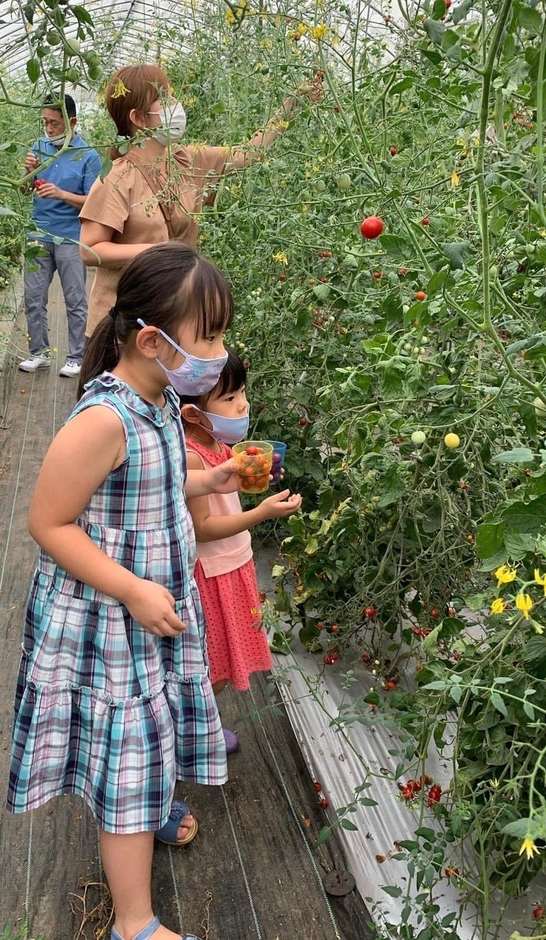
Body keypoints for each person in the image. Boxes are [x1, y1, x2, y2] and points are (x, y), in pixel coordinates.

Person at [7, 242, 241, 940]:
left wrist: (208, 481)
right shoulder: (102, 420)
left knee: (147, 736)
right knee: (127, 766)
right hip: (109, 619)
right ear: (151, 340)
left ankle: (152, 796)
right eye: (211, 337)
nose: (221, 352)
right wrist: (133, 588)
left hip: (149, 609)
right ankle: (134, 925)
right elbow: (48, 523)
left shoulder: (162, 399)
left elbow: (152, 488)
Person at [79, 63, 323, 336]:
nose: (175, 105)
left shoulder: (187, 161)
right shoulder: (116, 178)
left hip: (171, 315)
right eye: (164, 98)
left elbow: (247, 154)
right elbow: (89, 249)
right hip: (122, 327)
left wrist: (290, 106)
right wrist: (157, 252)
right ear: (138, 117)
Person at [180, 352, 302, 752]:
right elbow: (203, 528)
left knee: (218, 661)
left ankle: (197, 725)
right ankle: (189, 735)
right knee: (209, 665)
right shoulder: (192, 455)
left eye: (243, 393)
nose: (243, 405)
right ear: (194, 413)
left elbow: (226, 492)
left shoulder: (217, 442)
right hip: (211, 572)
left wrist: (255, 478)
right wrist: (260, 514)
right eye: (230, 398)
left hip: (232, 565)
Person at [19, 92, 102, 375]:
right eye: (45, 122)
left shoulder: (88, 155)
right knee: (33, 296)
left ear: (73, 122)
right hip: (38, 232)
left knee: (75, 299)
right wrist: (28, 173)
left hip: (71, 236)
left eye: (54, 123)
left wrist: (62, 194)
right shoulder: (39, 146)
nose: (49, 129)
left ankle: (76, 358)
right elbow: (23, 189)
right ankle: (38, 352)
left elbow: (94, 201)